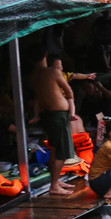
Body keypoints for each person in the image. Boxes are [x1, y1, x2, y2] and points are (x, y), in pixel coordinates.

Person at [30, 51, 78, 196]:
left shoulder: (34, 76)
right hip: (58, 116)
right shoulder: (52, 72)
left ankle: (55, 182)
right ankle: (54, 186)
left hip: (49, 116)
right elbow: (69, 91)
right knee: (62, 152)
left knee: (56, 149)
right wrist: (70, 107)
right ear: (44, 55)